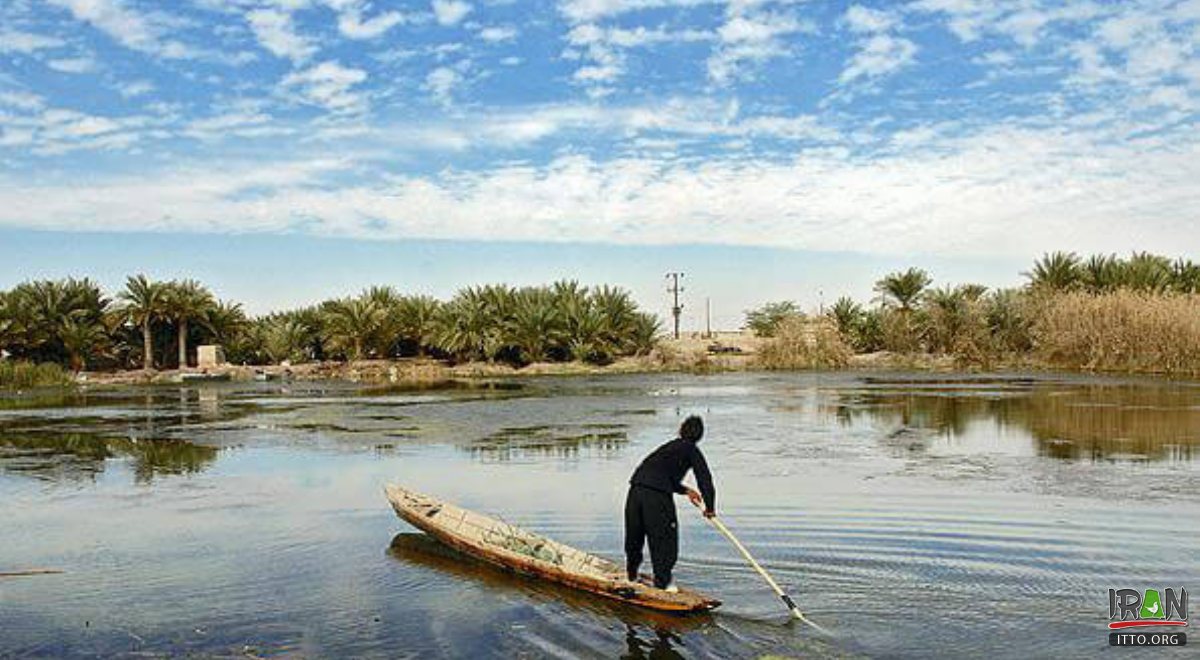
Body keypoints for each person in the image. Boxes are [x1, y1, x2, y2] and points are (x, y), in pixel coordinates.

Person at [624, 415, 716, 592]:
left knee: (635, 536)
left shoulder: (668, 447)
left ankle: (631, 574)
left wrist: (685, 490)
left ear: (681, 430)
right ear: (700, 436)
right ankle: (662, 584)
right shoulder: (692, 450)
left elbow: (658, 474)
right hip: (657, 497)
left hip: (636, 490)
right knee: (664, 540)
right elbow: (705, 479)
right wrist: (710, 508)